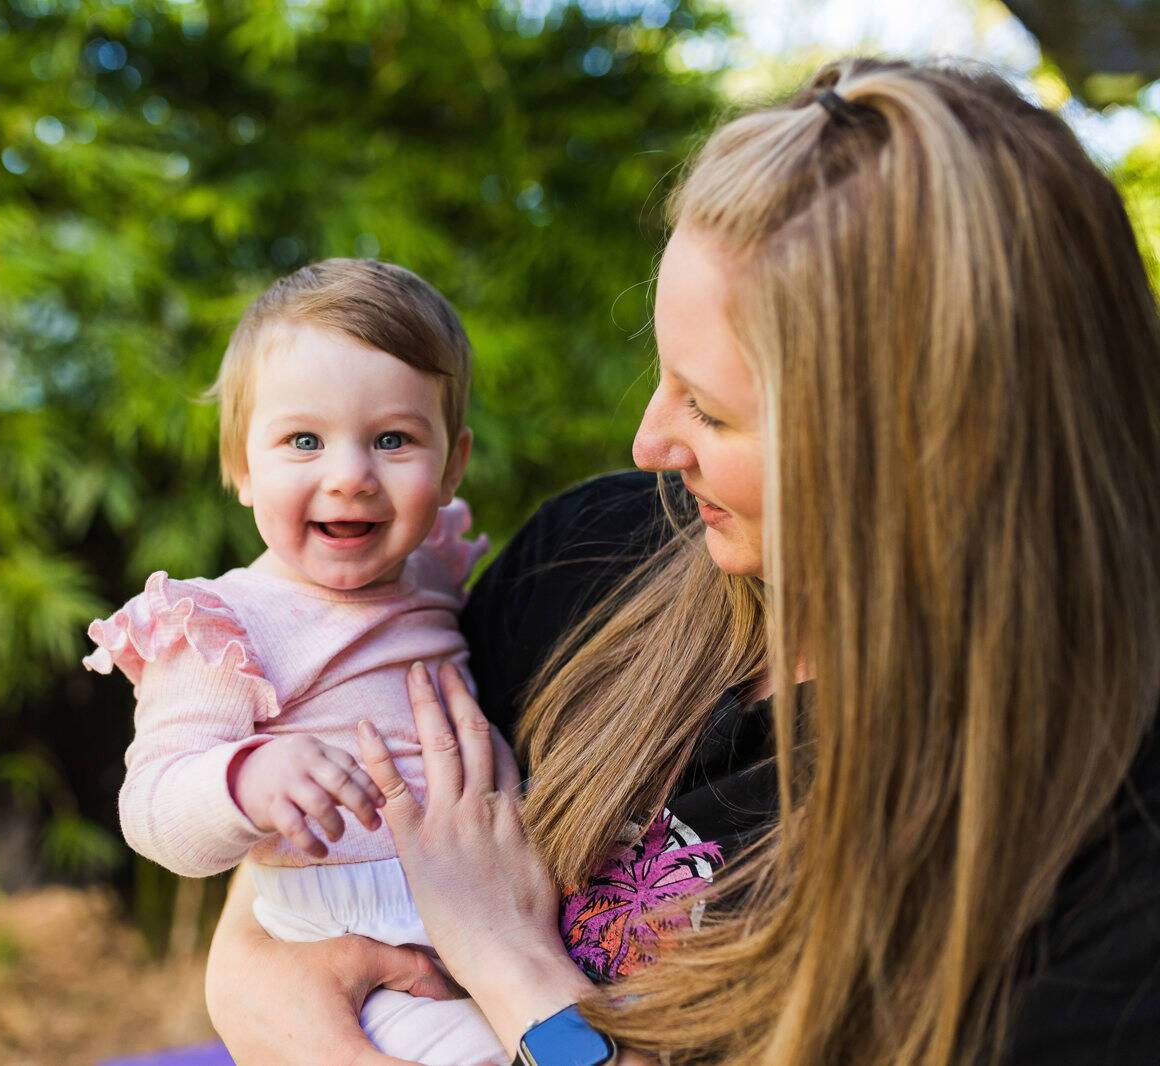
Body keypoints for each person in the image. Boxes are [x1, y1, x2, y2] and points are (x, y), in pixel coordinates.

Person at [206, 57, 1160, 1066]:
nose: (648, 441)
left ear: (924, 442)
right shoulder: (587, 561)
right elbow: (299, 835)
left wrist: (511, 963)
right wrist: (265, 992)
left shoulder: (1109, 859)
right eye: (661, 379)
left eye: (708, 407)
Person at [86, 258, 508, 1064]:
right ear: (242, 466)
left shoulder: (434, 573)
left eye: (392, 439)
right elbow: (153, 809)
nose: (349, 476)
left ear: (451, 465)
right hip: (351, 935)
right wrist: (246, 779)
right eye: (304, 441)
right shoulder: (225, 624)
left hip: (490, 913)